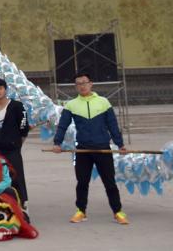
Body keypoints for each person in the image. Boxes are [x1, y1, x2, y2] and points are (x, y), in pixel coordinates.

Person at [52, 72, 129, 225]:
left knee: (110, 182)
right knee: (82, 182)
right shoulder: (71, 105)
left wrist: (120, 144)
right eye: (78, 84)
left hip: (103, 149)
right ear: (76, 87)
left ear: (91, 84)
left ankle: (118, 211)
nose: (82, 86)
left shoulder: (103, 102)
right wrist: (57, 143)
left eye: (84, 82)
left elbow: (113, 125)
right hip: (82, 150)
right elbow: (62, 126)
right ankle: (81, 211)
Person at [0, 78, 29, 210]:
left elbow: (24, 126)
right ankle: (3, 202)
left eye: (0, 88)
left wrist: (18, 142)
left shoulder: (17, 106)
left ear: (5, 90)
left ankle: (23, 203)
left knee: (17, 175)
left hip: (13, 148)